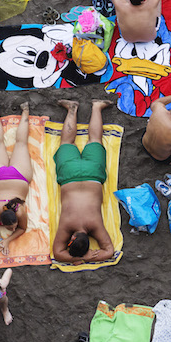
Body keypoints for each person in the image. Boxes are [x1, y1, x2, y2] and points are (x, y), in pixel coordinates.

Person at [52, 100, 115, 265]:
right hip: (69, 175)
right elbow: (58, 253)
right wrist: (80, 258)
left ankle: (97, 106)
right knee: (66, 143)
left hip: (92, 174)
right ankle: (72, 108)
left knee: (95, 139)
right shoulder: (67, 226)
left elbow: (108, 251)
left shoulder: (95, 226)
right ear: (72, 238)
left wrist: (84, 257)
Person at [0, 102, 32, 256]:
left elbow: (19, 228)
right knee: (18, 144)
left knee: (0, 144)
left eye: (11, 227)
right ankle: (21, 110)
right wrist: (3, 240)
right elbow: (20, 229)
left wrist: (4, 240)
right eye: (11, 227)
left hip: (8, 177)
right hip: (2, 177)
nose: (12, 229)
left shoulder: (14, 212)